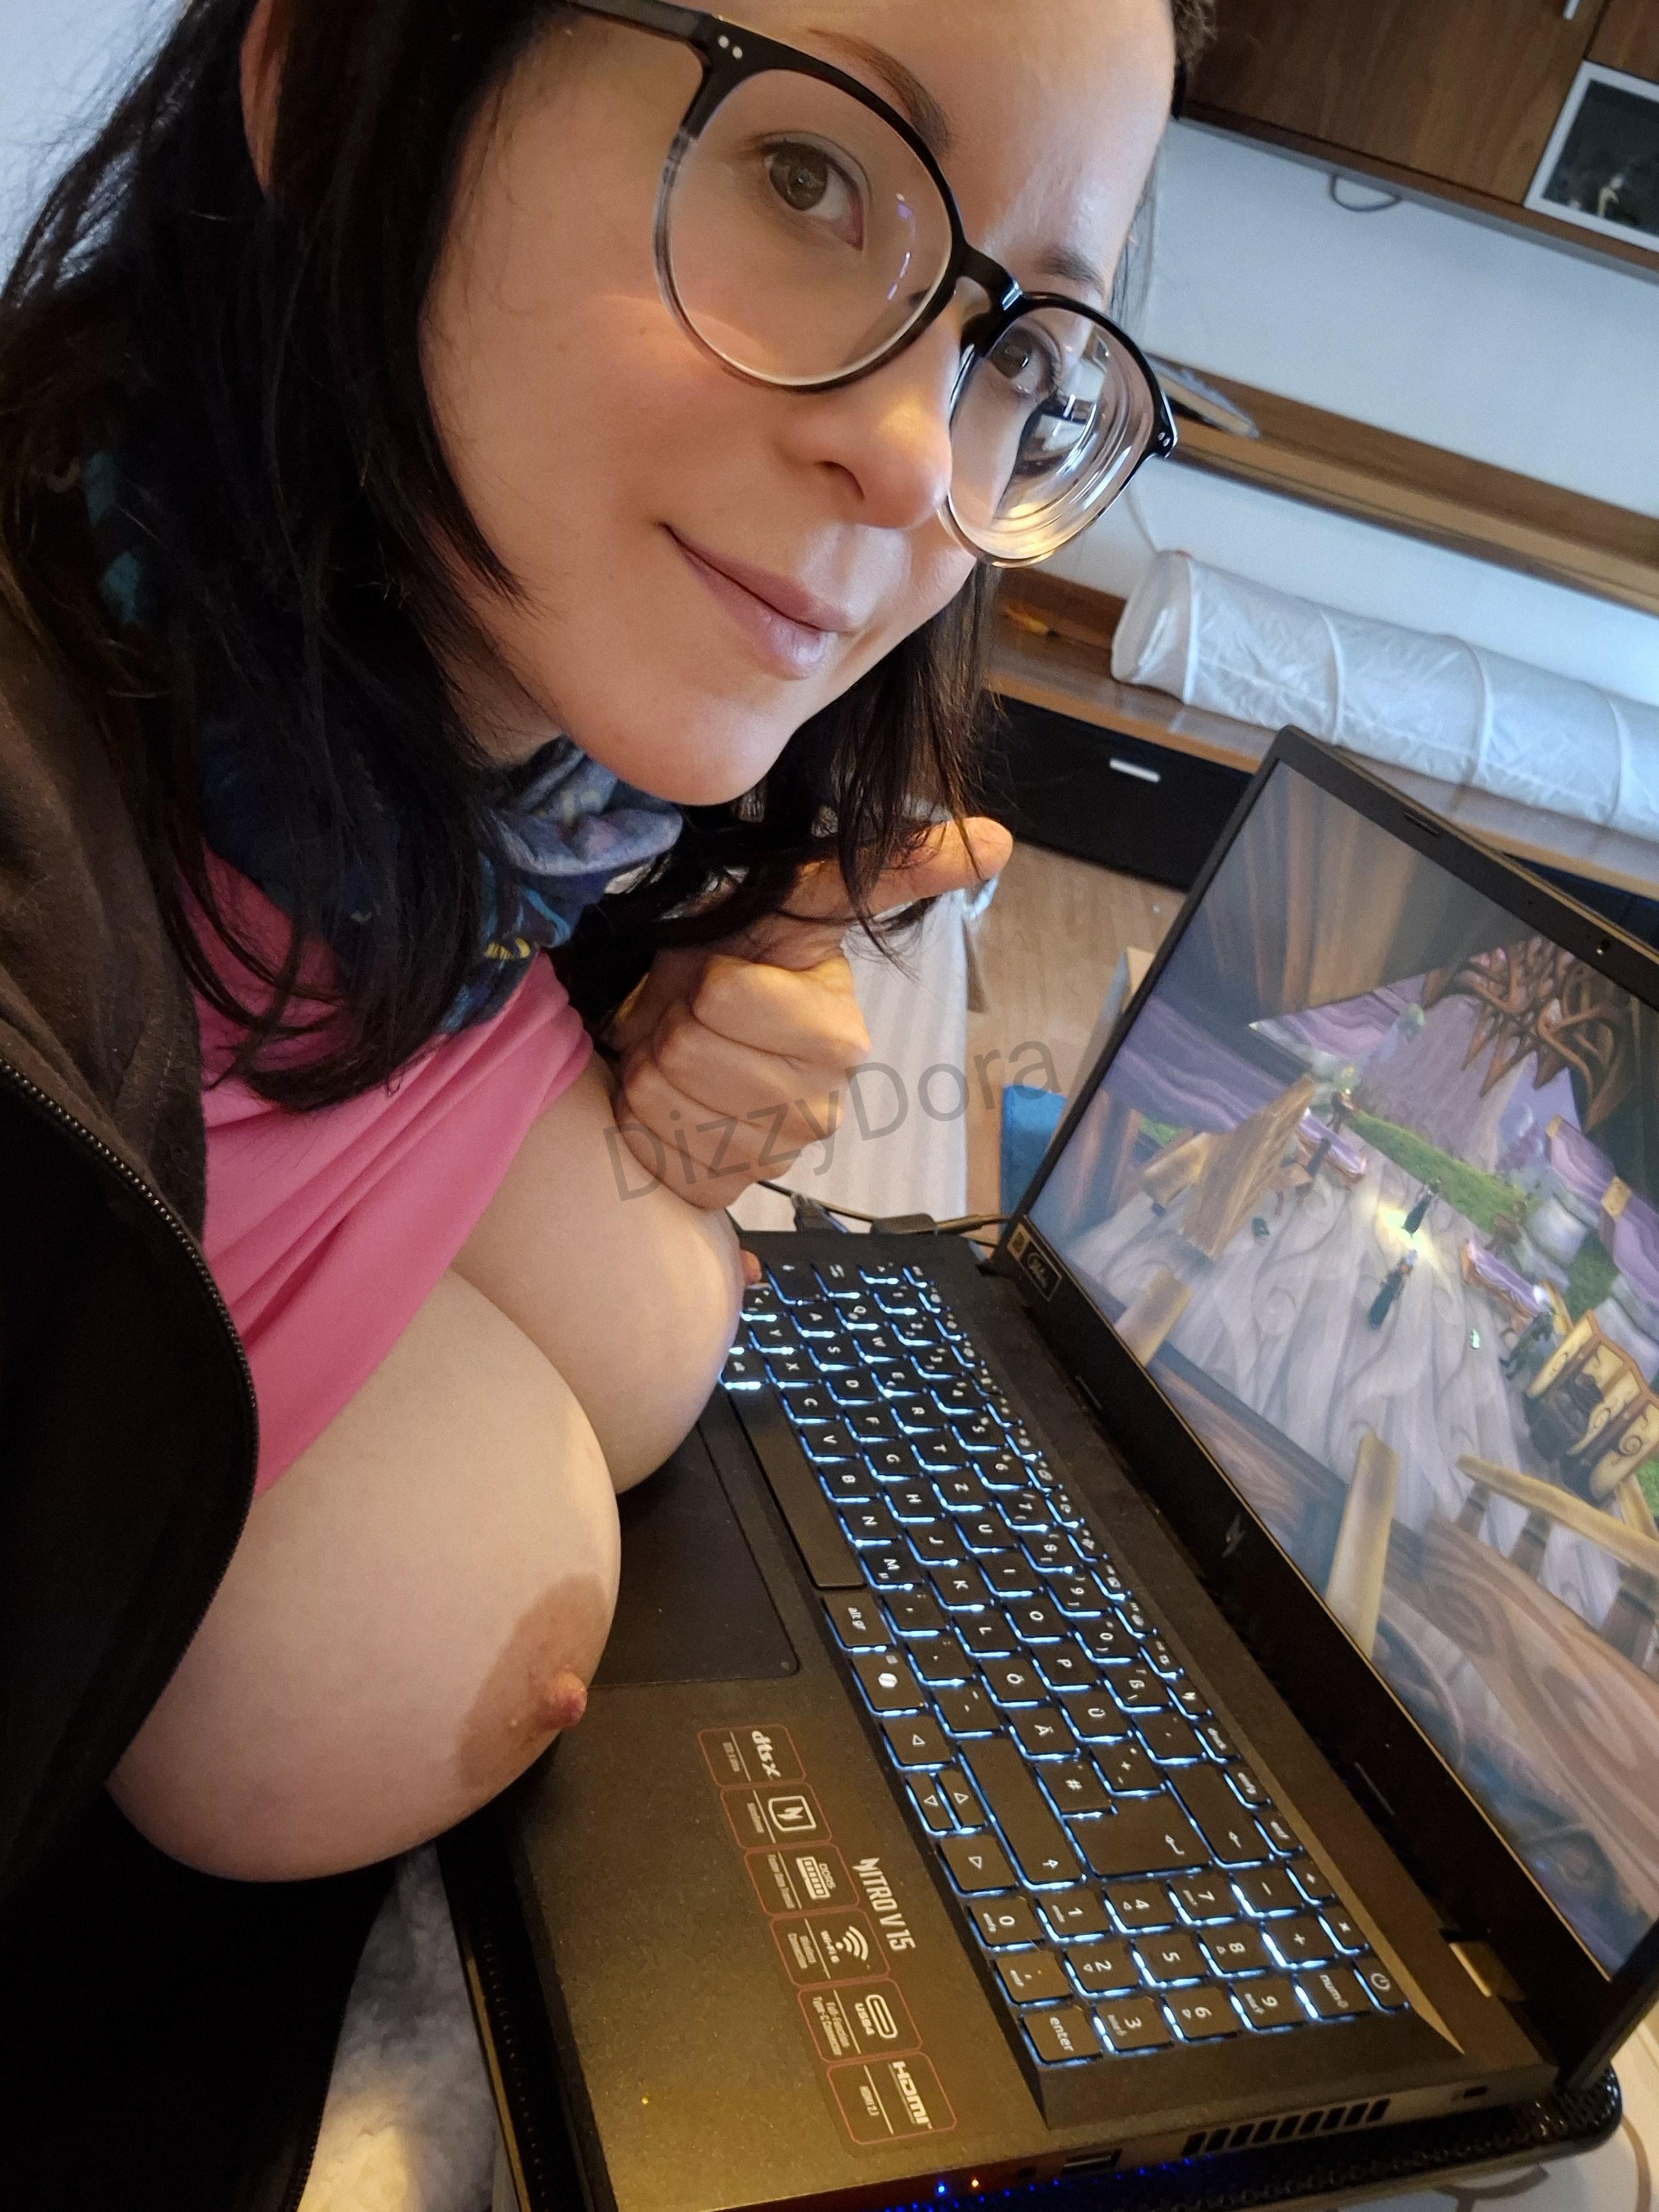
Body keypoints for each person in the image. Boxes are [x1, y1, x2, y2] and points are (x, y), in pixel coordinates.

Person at [0, 0, 1209, 2198]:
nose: (922, 464)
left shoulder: (524, 792)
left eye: (1018, 352)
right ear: (334, 76)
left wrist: (679, 985)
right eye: (809, 175)